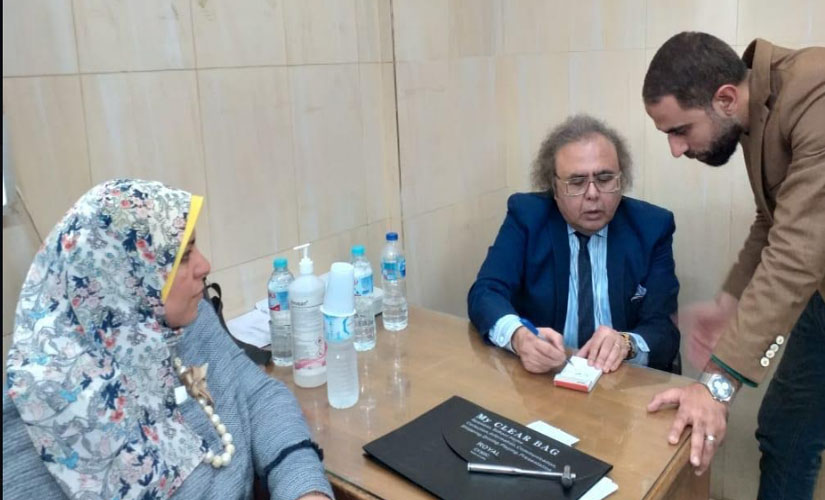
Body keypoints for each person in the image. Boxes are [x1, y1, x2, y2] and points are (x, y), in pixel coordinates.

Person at [3, 179, 333, 500]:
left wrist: (304, 487)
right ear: (123, 274)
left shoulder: (190, 325)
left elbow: (260, 398)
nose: (204, 266)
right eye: (184, 256)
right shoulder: (45, 401)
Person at [643, 32, 825, 498]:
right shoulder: (754, 109)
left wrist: (717, 383)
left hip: (811, 273)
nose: (676, 149)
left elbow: (797, 250)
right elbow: (772, 219)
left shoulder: (816, 94)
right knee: (784, 431)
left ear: (724, 98)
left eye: (679, 130)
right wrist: (729, 302)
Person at [467, 114, 681, 374]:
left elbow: (663, 330)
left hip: (620, 380)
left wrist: (626, 344)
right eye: (577, 182)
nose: (592, 194)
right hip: (544, 377)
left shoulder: (652, 227)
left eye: (605, 179)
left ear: (621, 180)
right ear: (554, 188)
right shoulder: (527, 217)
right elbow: (486, 292)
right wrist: (518, 337)